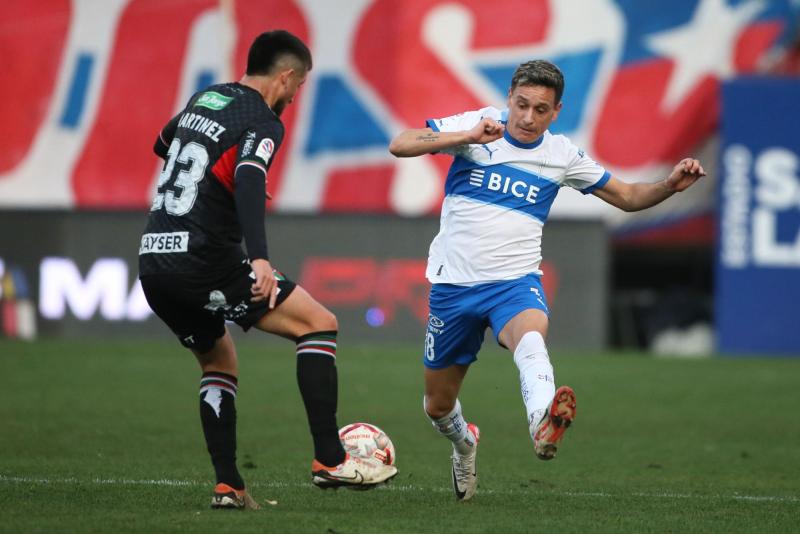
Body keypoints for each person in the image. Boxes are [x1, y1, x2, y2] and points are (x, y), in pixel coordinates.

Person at [389, 60, 705, 501]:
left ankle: (543, 422)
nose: (527, 117)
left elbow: (629, 197)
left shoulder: (562, 156)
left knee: (532, 335)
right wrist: (465, 137)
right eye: (521, 105)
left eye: (540, 109)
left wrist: (670, 184)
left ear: (556, 112)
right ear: (509, 98)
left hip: (514, 283)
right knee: (437, 406)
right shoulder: (476, 126)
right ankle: (465, 443)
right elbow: (401, 144)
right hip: (453, 288)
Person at [139, 30, 396, 509]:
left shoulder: (206, 97)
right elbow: (250, 177)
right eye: (296, 90)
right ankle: (330, 459)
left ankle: (229, 486)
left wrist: (220, 182)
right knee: (319, 324)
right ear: (286, 77)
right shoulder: (262, 118)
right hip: (206, 260)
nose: (293, 99)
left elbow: (164, 143)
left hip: (155, 259)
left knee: (219, 363)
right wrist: (258, 255)